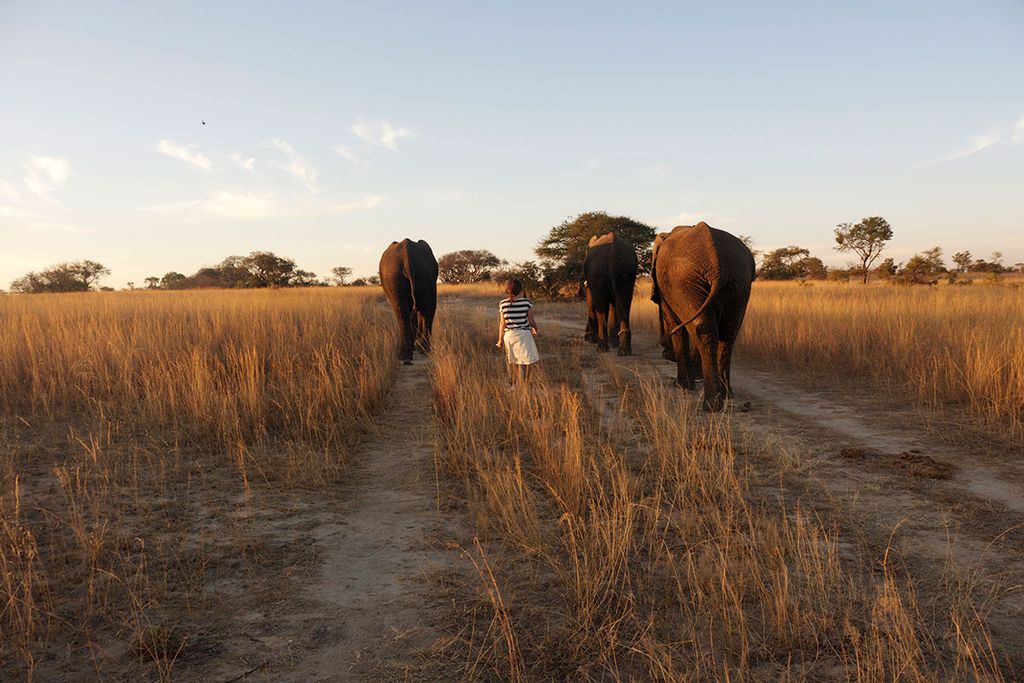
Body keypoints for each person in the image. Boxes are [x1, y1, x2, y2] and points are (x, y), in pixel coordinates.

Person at [495, 279, 539, 384]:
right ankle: (522, 386)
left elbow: (502, 323)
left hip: (509, 335)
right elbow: (531, 320)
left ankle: (511, 385)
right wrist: (535, 329)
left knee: (510, 360)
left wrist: (500, 340)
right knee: (522, 361)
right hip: (524, 335)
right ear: (520, 290)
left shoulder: (503, 303)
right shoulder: (526, 302)